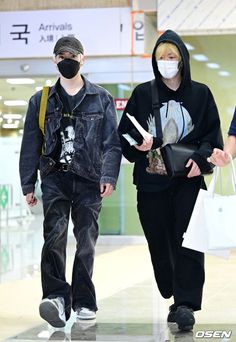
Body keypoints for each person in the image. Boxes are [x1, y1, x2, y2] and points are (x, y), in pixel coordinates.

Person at [118, 29, 223, 332]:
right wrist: (136, 145)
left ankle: (186, 304)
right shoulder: (142, 93)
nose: (166, 61)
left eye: (172, 56)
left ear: (182, 60)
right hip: (151, 184)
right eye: (161, 57)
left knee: (189, 244)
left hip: (188, 183)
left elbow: (212, 137)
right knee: (161, 244)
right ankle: (173, 294)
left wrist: (200, 162)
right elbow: (124, 135)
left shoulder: (200, 94)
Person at [19, 36, 121, 327]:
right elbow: (31, 144)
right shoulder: (40, 100)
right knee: (54, 236)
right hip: (54, 179)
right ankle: (56, 298)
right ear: (54, 60)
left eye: (72, 56)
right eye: (61, 55)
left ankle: (84, 300)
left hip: (90, 179)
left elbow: (111, 144)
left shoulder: (100, 98)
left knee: (86, 239)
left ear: (82, 59)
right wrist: (28, 183)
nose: (67, 60)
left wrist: (109, 176)